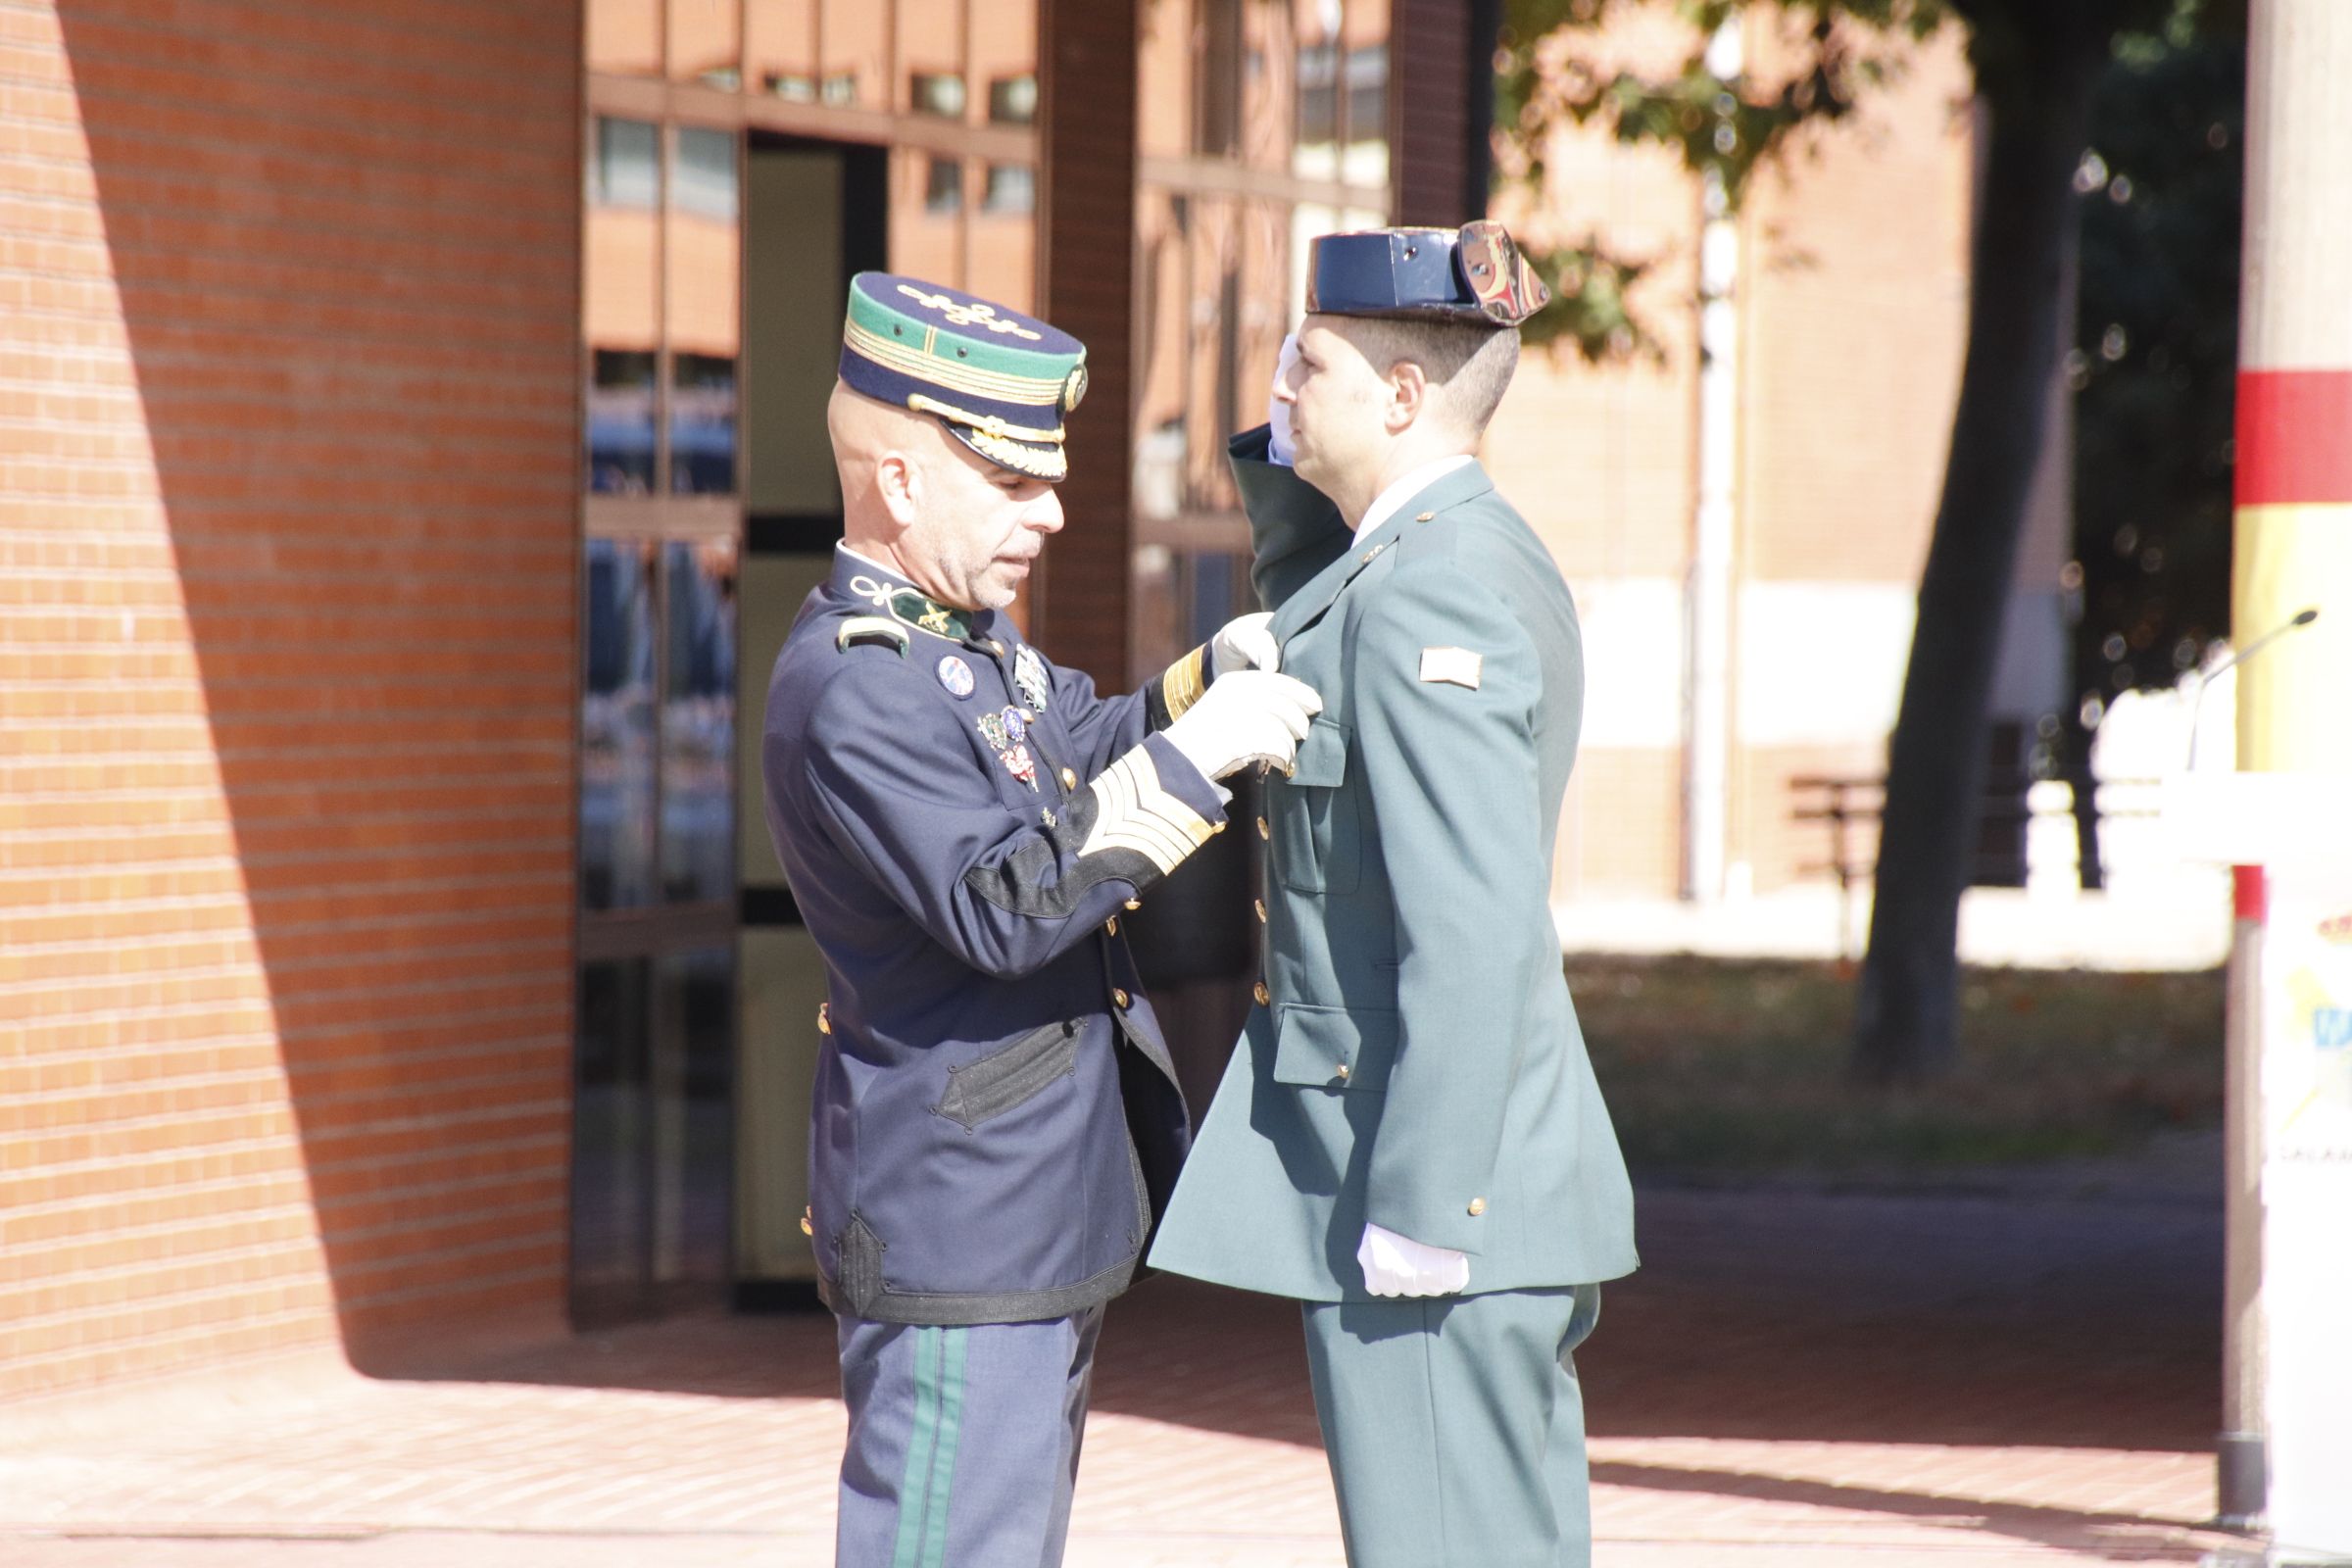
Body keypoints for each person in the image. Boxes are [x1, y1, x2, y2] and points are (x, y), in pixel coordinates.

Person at [760, 272, 1322, 1568]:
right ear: (899, 484)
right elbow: (1007, 905)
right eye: (1014, 486)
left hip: (1018, 1208)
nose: (1052, 513)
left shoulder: (960, 642)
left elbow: (1079, 744)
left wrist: (1199, 687)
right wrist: (1197, 765)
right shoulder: (862, 689)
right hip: (963, 1211)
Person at [1148, 222, 1640, 1568]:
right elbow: (1326, 610)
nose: (1282, 387)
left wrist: (1424, 1206)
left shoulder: (1435, 595)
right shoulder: (1433, 556)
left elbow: (1469, 928)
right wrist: (1289, 463)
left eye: (1306, 364)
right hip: (1467, 1179)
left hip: (1432, 1191)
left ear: (1405, 396)